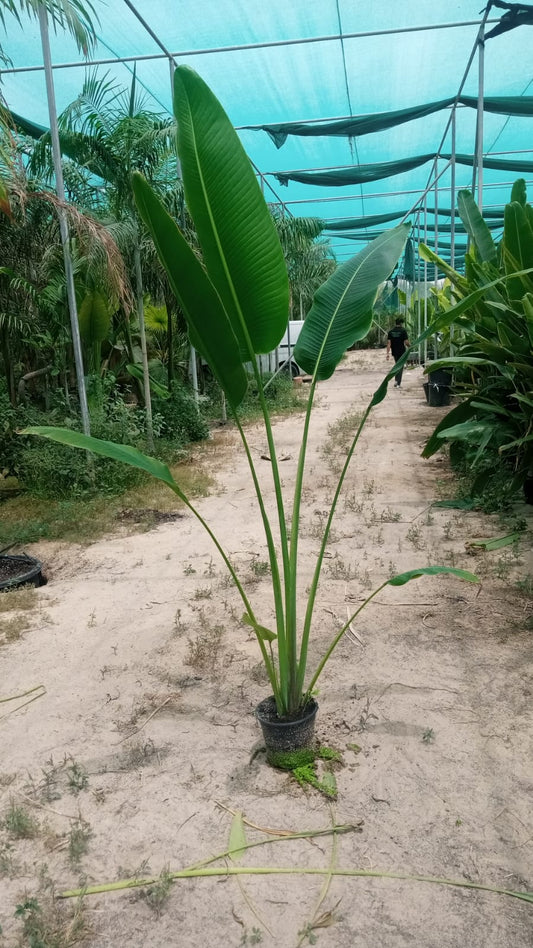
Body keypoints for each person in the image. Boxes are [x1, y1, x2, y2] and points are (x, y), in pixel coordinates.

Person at [386, 317, 410, 388]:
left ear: (396, 323)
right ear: (401, 323)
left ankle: (396, 381)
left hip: (394, 351)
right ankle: (398, 383)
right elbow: (406, 342)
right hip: (402, 351)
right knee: (400, 367)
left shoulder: (391, 332)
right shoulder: (403, 331)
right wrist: (411, 346)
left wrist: (387, 353)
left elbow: (388, 343)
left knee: (397, 365)